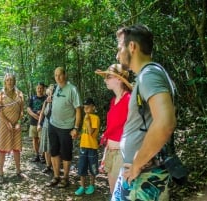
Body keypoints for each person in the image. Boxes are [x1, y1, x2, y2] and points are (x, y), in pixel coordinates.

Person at [111, 24, 177, 201]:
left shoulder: (149, 75)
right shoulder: (148, 75)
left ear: (132, 46)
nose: (117, 55)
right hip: (137, 173)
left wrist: (137, 164)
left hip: (144, 177)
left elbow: (165, 123)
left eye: (120, 48)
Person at [95, 64, 132, 194]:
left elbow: (135, 129)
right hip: (111, 151)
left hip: (122, 154)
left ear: (119, 79)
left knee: (121, 193)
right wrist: (105, 154)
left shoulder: (129, 99)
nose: (105, 80)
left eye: (108, 77)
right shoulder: (113, 100)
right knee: (113, 192)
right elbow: (111, 129)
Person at [46, 67, 82, 188]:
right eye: (56, 75)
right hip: (53, 124)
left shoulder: (72, 89)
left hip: (66, 127)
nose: (58, 77)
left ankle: (65, 178)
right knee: (54, 151)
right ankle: (56, 176)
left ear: (65, 75)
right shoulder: (55, 88)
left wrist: (76, 128)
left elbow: (78, 110)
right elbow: (49, 94)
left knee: (66, 153)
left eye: (60, 75)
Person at [0, 73, 24, 183]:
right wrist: (7, 122)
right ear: (5, 82)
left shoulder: (20, 94)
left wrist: (18, 122)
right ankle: (1, 173)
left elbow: (21, 110)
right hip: (3, 124)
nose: (10, 82)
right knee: (2, 149)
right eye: (7, 80)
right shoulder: (0, 94)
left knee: (16, 148)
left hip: (16, 125)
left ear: (14, 81)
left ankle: (18, 171)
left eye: (11, 80)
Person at [74, 98, 100, 196]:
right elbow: (85, 132)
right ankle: (82, 186)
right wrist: (78, 135)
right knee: (82, 166)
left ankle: (92, 185)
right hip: (83, 146)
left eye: (88, 107)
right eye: (84, 108)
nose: (86, 109)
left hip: (92, 147)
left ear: (93, 107)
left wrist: (88, 121)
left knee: (92, 167)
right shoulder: (86, 117)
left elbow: (91, 133)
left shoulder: (94, 118)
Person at [27, 82, 47, 163]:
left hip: (43, 123)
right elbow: (28, 108)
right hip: (33, 122)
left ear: (43, 89)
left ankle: (43, 156)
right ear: (36, 89)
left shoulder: (46, 98)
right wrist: (34, 115)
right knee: (34, 138)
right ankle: (37, 155)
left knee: (42, 139)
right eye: (38, 88)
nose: (39, 89)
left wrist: (41, 116)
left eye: (41, 88)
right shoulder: (32, 98)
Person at [37, 84, 55, 173]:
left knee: (54, 147)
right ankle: (48, 166)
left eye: (52, 90)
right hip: (46, 125)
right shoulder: (46, 101)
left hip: (55, 126)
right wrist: (39, 124)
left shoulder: (57, 100)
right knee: (47, 147)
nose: (50, 91)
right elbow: (42, 113)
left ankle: (56, 166)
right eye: (49, 89)